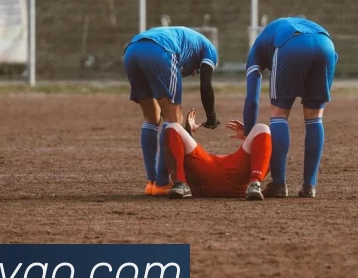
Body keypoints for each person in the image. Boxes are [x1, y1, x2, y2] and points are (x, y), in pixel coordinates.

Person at [242, 17, 337, 198]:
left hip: (290, 44)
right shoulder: (282, 28)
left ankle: (279, 184)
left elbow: (252, 98)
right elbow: (334, 57)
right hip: (327, 45)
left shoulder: (256, 50)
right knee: (314, 116)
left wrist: (248, 132)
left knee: (278, 114)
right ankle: (310, 186)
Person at [123, 26, 220, 196]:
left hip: (132, 50)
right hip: (162, 51)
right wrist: (211, 116)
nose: (194, 74)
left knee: (151, 117)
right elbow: (206, 86)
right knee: (173, 119)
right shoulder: (210, 50)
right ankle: (162, 183)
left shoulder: (187, 40)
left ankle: (151, 182)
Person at [164, 108, 271, 201]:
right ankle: (255, 184)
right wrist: (248, 138)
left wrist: (188, 133)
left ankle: (180, 183)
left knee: (172, 127)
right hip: (235, 176)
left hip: (204, 174)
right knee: (262, 128)